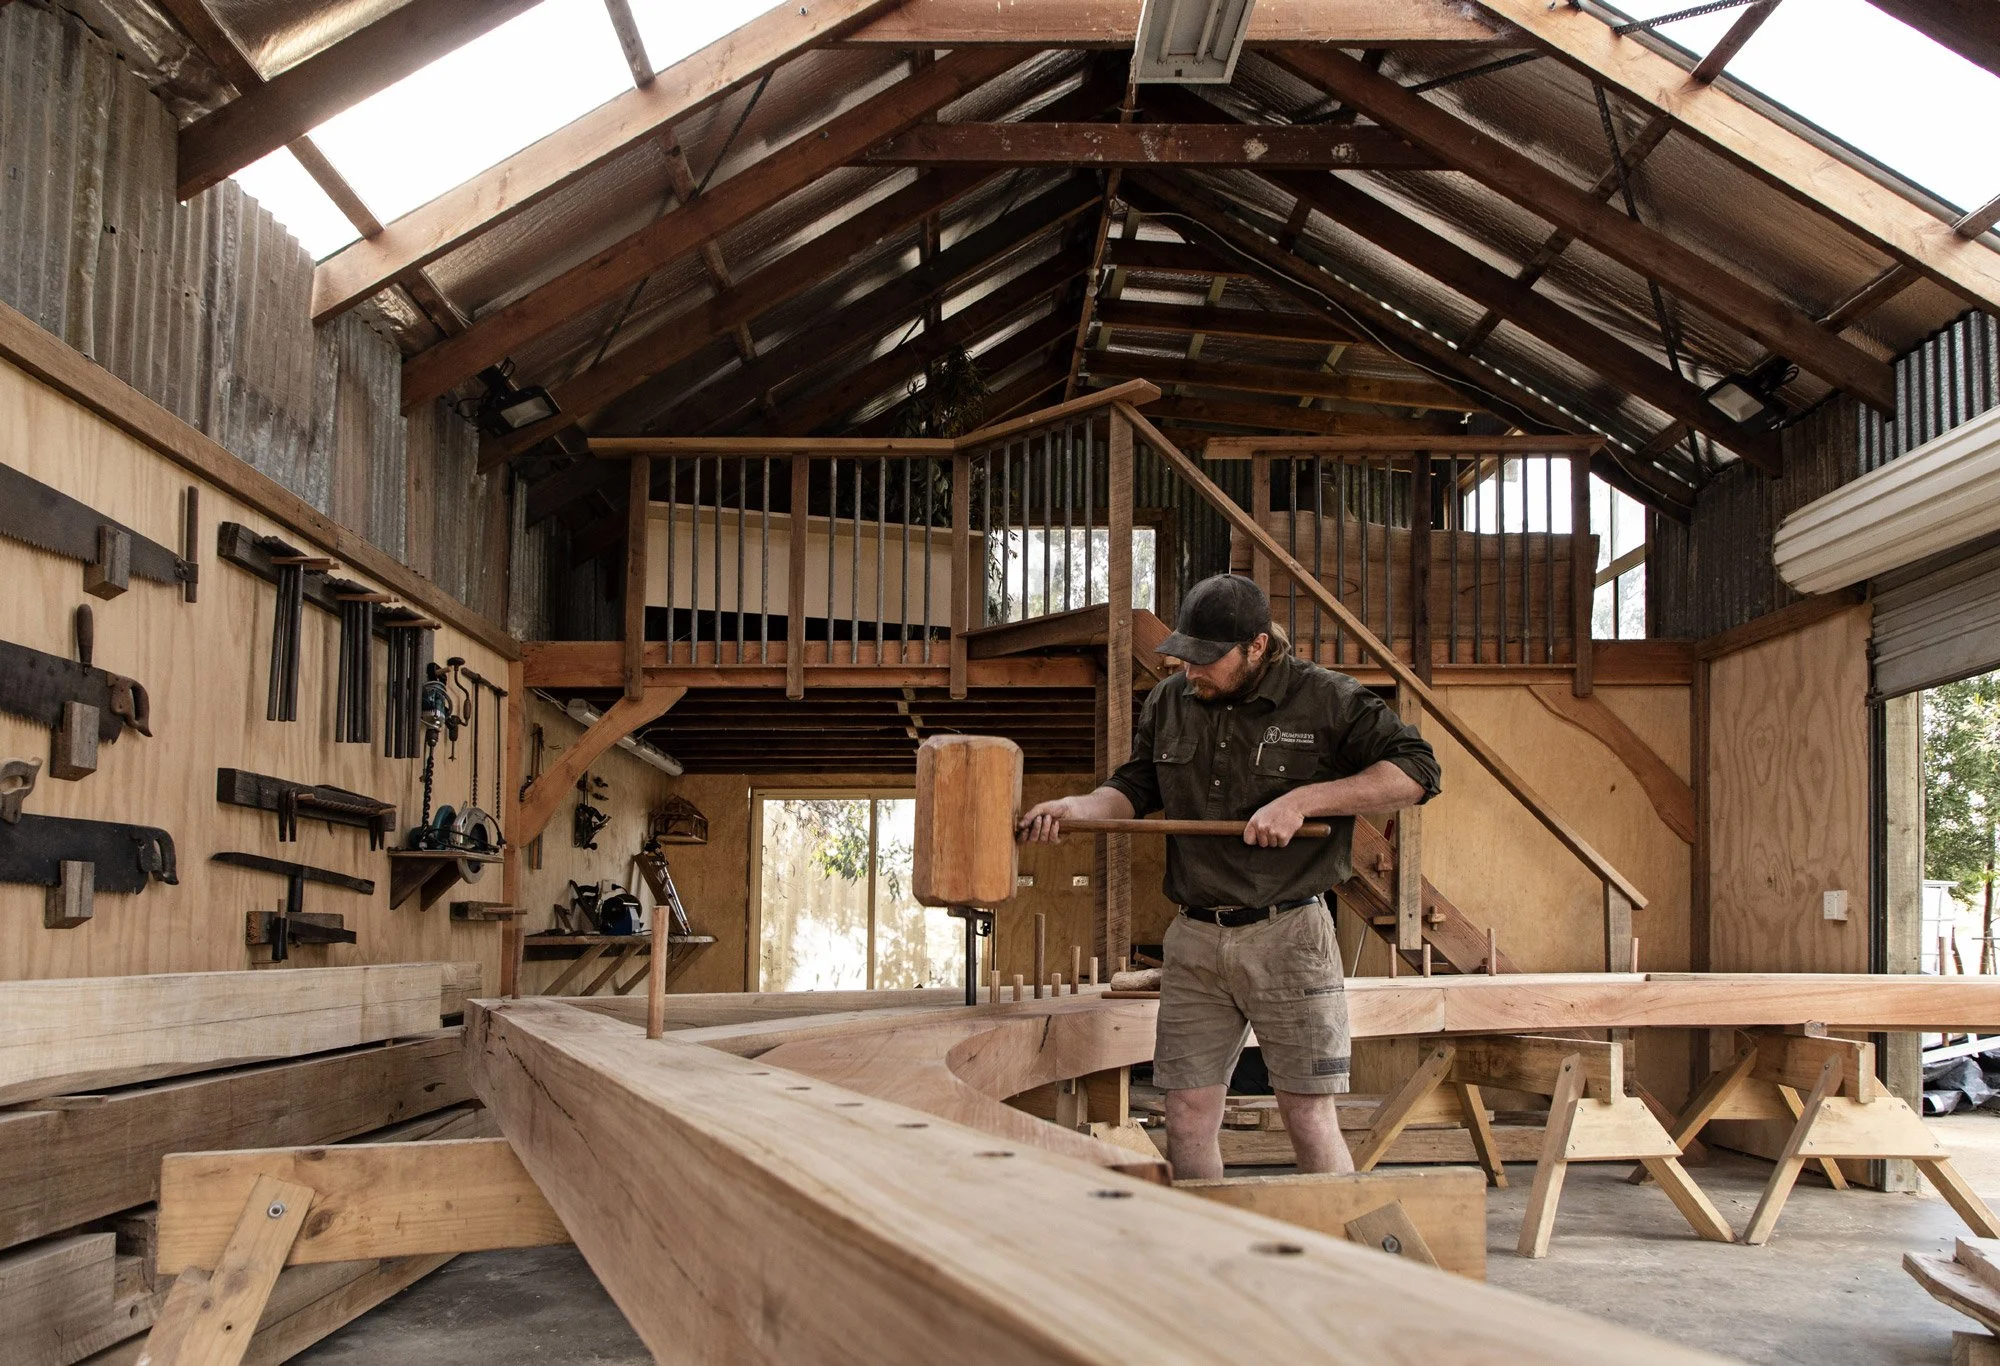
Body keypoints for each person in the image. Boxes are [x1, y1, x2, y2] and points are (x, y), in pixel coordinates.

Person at [1019, 573, 1439, 1180]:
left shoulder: (1326, 699)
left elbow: (1419, 771)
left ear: (1257, 646)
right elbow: (1135, 788)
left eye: (1208, 660)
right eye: (1186, 657)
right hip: (1194, 937)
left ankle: (1335, 1267)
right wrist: (1078, 807)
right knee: (1186, 1113)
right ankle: (1207, 1256)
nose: (1192, 671)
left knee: (1305, 1113)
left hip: (1289, 932)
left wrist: (1306, 800)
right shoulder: (1169, 701)